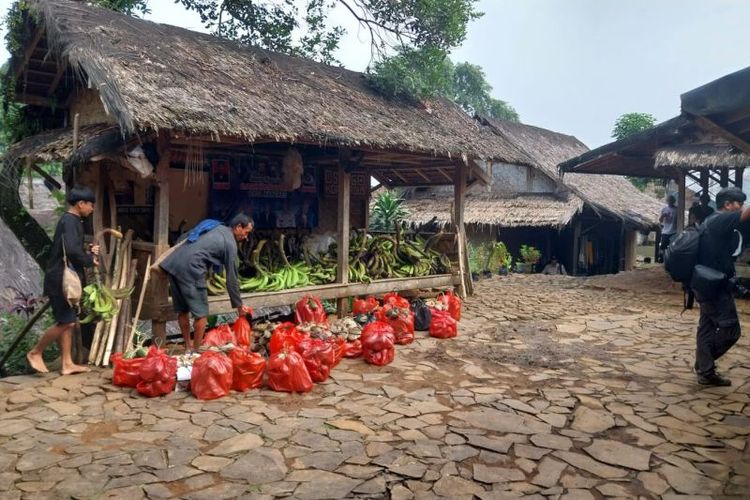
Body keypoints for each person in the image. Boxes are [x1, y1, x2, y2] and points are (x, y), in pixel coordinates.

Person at [27, 186, 100, 375]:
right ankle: (36, 352)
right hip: (60, 280)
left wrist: (88, 252)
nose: (92, 208)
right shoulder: (70, 221)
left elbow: (71, 248)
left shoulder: (73, 221)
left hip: (62, 278)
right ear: (80, 204)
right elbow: (73, 251)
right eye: (90, 204)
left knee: (67, 321)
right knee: (67, 322)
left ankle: (67, 364)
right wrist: (89, 260)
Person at [160, 214, 253, 350]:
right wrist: (239, 306)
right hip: (192, 268)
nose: (246, 237)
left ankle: (188, 346)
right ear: (238, 227)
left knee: (183, 310)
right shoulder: (230, 243)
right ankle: (195, 352)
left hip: (173, 263)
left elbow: (184, 237)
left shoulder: (215, 227)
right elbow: (232, 278)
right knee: (201, 314)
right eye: (246, 232)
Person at [693, 186, 750, 386]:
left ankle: (706, 372)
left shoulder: (710, 220)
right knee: (731, 330)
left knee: (707, 327)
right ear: (727, 205)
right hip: (715, 286)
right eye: (739, 203)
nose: (741, 207)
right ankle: (704, 364)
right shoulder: (722, 218)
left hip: (704, 283)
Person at [658, 194, 677, 262]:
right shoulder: (664, 209)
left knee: (673, 247)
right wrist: (663, 216)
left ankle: (670, 260)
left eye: (671, 200)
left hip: (674, 231)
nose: (670, 202)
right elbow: (660, 220)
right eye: (669, 200)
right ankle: (662, 259)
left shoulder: (677, 209)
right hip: (665, 231)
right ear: (667, 201)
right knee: (663, 246)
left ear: (674, 201)